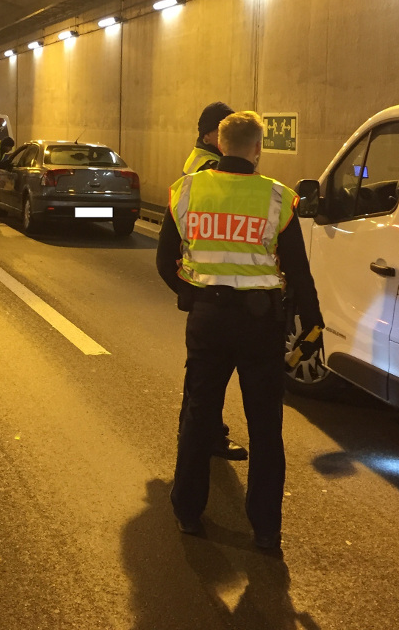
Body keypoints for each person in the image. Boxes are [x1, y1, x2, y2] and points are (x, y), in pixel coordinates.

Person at [156, 111, 324, 549]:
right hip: (260, 324)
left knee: (199, 415)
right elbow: (298, 271)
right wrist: (313, 325)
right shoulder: (277, 198)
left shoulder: (185, 190)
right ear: (257, 149)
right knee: (265, 427)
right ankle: (266, 529)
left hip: (208, 319)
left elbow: (164, 261)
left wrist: (191, 294)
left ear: (220, 144)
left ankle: (188, 512)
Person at [181, 102, 247, 462]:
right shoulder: (209, 168)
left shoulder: (198, 160)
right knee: (210, 375)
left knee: (201, 372)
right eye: (221, 131)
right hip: (214, 282)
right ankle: (207, 436)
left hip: (200, 278)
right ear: (209, 134)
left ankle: (195, 431)